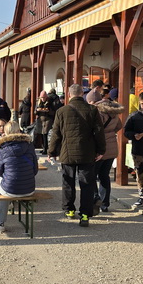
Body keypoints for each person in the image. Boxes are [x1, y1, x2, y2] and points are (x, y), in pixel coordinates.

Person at [48, 84, 106, 226]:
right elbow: (99, 132)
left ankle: (69, 210)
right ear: (82, 94)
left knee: (68, 181)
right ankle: (85, 214)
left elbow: (56, 134)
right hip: (87, 152)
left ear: (69, 94)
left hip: (67, 153)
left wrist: (52, 152)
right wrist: (101, 150)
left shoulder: (62, 111)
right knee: (87, 184)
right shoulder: (92, 110)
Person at [0, 120, 38, 232]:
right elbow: (35, 169)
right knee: (7, 182)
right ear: (19, 131)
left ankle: (0, 223)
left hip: (10, 189)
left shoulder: (2, 147)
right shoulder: (29, 145)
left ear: (5, 133)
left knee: (2, 183)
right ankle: (10, 203)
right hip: (29, 189)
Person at [94, 88, 124, 212]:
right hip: (112, 147)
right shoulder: (115, 113)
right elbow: (119, 126)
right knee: (105, 176)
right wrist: (111, 134)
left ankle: (96, 200)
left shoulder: (98, 112)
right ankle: (105, 203)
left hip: (99, 147)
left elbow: (95, 129)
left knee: (92, 175)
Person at [34, 90, 57, 155]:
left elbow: (53, 112)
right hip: (40, 120)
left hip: (47, 120)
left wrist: (48, 111)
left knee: (45, 134)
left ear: (46, 97)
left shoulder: (50, 102)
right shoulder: (38, 102)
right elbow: (35, 112)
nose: (43, 99)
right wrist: (37, 110)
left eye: (44, 97)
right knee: (41, 134)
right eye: (42, 97)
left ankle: (46, 148)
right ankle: (43, 147)